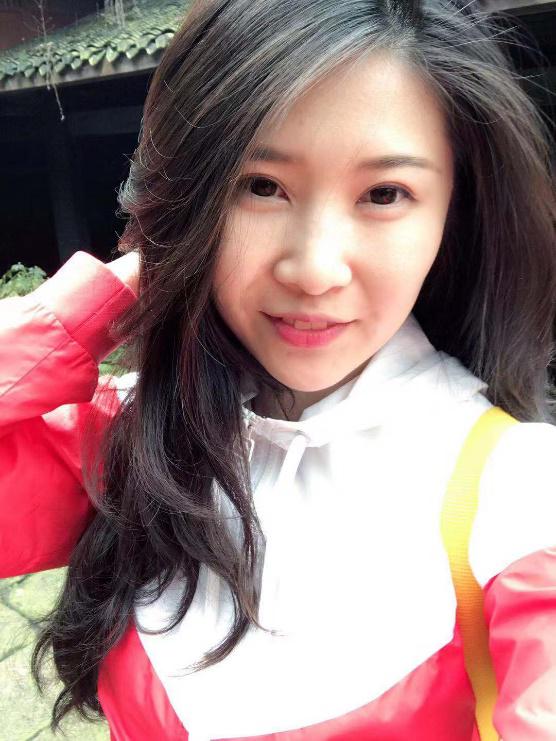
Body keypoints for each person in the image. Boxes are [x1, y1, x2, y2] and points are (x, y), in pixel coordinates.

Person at [1, 0, 556, 738]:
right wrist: (91, 305)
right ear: (191, 202)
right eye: (261, 186)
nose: (314, 269)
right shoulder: (133, 441)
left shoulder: (517, 500)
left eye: (384, 195)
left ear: (453, 215)